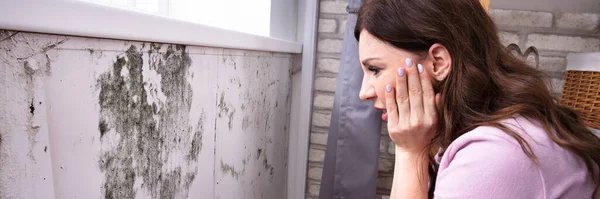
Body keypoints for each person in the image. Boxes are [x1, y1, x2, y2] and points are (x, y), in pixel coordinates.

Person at [354, 0, 600, 198]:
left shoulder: (493, 154)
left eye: (375, 69)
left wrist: (409, 153)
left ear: (438, 63)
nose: (364, 92)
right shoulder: (466, 131)